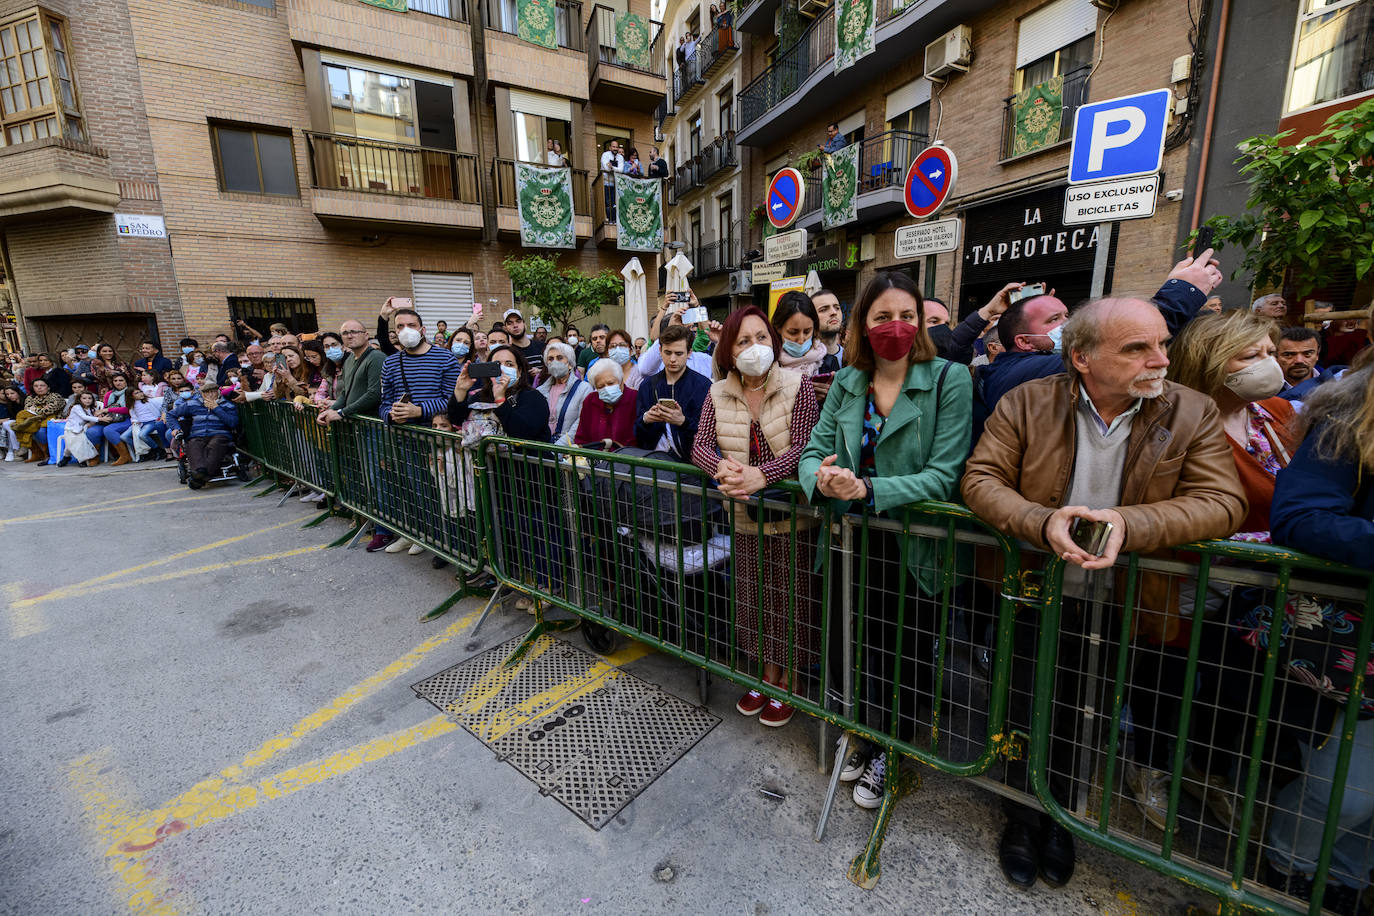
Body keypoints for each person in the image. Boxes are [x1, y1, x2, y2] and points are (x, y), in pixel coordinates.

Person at [962, 296, 1248, 891]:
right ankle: (1022, 816)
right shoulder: (1027, 402)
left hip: (1128, 601)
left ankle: (1061, 815)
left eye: (1162, 344)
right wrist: (1041, 522)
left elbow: (1224, 502)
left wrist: (1128, 524)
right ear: (1083, 357)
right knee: (1020, 704)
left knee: (1086, 712)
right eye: (1138, 348)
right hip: (1032, 591)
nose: (1160, 359)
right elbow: (981, 479)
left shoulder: (1191, 412)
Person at [798, 270, 973, 807]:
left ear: (920, 321)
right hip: (850, 542)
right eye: (881, 316)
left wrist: (866, 486)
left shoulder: (950, 379)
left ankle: (894, 750)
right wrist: (822, 480)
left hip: (913, 545)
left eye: (906, 315)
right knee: (858, 647)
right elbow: (811, 453)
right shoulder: (848, 382)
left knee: (909, 654)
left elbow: (945, 474)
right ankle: (866, 734)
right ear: (862, 324)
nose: (895, 326)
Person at [1266, 365, 1374, 911]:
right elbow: (1302, 518)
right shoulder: (1347, 418)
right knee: (1346, 792)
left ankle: (1347, 883)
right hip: (1354, 652)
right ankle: (1289, 869)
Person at [691, 306, 821, 729]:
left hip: (793, 519)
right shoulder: (716, 392)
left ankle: (792, 681)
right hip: (745, 520)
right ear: (728, 349)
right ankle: (766, 675)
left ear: (774, 342)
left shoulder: (798, 385)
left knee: (793, 601)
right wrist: (721, 469)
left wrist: (762, 474)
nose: (754, 347)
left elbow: (803, 446)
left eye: (761, 338)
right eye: (743, 341)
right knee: (753, 600)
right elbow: (701, 446)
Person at [977, 249, 1222, 423]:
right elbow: (1118, 347)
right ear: (1024, 342)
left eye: (1066, 314)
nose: (1068, 323)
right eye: (1054, 319)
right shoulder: (1017, 372)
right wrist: (1184, 290)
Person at [371, 308, 461, 553]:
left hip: (436, 438)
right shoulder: (391, 362)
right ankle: (415, 532)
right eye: (400, 326)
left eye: (411, 325)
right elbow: (384, 401)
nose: (405, 330)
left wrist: (418, 411)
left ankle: (440, 539)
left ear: (423, 329)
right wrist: (391, 415)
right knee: (409, 488)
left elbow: (452, 400)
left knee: (440, 491)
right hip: (403, 437)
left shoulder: (445, 358)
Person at [633, 324, 710, 457]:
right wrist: (646, 419)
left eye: (679, 353)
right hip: (653, 462)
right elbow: (638, 434)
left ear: (689, 353)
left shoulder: (703, 386)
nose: (672, 359)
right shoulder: (647, 385)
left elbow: (709, 437)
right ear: (660, 350)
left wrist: (683, 422)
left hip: (691, 465)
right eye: (668, 353)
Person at [173, 381, 240, 488]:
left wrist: (216, 408)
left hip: (219, 434)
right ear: (202, 394)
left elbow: (232, 423)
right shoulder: (192, 404)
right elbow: (171, 415)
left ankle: (198, 478)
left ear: (218, 392)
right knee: (193, 444)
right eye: (206, 393)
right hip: (198, 434)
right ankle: (201, 473)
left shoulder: (227, 405)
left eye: (212, 392)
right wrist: (175, 428)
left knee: (215, 444)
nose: (210, 395)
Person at [318, 319, 384, 427]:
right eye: (345, 333)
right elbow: (345, 392)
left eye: (355, 332)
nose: (349, 336)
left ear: (366, 335)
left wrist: (343, 412)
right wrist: (331, 410)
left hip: (373, 423)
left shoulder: (376, 357)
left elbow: (374, 394)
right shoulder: (349, 360)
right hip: (356, 422)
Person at [770, 292, 841, 380]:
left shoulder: (829, 363)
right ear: (778, 328)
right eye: (793, 332)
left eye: (807, 332)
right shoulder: (769, 364)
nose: (801, 340)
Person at [574, 358, 637, 449]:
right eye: (601, 386)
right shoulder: (590, 401)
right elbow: (581, 438)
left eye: (611, 383)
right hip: (595, 460)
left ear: (621, 380)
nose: (607, 388)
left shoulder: (635, 398)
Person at [537, 341, 590, 443]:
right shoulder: (540, 391)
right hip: (544, 448)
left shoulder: (584, 389)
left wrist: (558, 448)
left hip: (568, 450)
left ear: (570, 364)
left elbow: (581, 423)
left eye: (560, 358)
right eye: (550, 359)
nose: (554, 362)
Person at [9, 377, 65, 463]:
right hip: (35, 421)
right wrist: (42, 409)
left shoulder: (55, 396)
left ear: (48, 387)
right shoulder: (30, 398)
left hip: (54, 421)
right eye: (36, 386)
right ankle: (38, 453)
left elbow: (49, 410)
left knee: (41, 431)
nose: (39, 388)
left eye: (42, 385)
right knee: (23, 427)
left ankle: (47, 454)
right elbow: (28, 411)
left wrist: (36, 409)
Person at [88, 371, 134, 465]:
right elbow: (105, 408)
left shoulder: (130, 392)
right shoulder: (109, 394)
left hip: (127, 418)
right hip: (110, 419)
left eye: (121, 380)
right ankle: (96, 457)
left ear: (126, 381)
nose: (118, 382)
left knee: (109, 430)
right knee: (92, 431)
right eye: (115, 380)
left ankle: (125, 456)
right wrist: (101, 415)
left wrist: (107, 411)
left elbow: (128, 409)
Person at [58, 391, 102, 467]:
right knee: (72, 443)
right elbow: (84, 417)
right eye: (84, 398)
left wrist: (93, 421)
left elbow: (91, 420)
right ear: (79, 399)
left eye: (89, 398)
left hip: (81, 429)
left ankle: (75, 458)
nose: (87, 400)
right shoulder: (76, 407)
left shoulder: (92, 409)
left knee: (80, 443)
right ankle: (72, 458)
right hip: (71, 429)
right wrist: (99, 419)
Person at [600, 140, 624, 221]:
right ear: (610, 147)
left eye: (617, 147)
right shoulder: (605, 155)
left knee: (615, 204)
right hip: (606, 183)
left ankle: (614, 220)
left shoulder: (620, 157)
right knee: (607, 203)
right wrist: (614, 169)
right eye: (613, 147)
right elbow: (606, 167)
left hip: (616, 184)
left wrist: (612, 168)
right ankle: (609, 219)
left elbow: (621, 170)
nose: (615, 148)